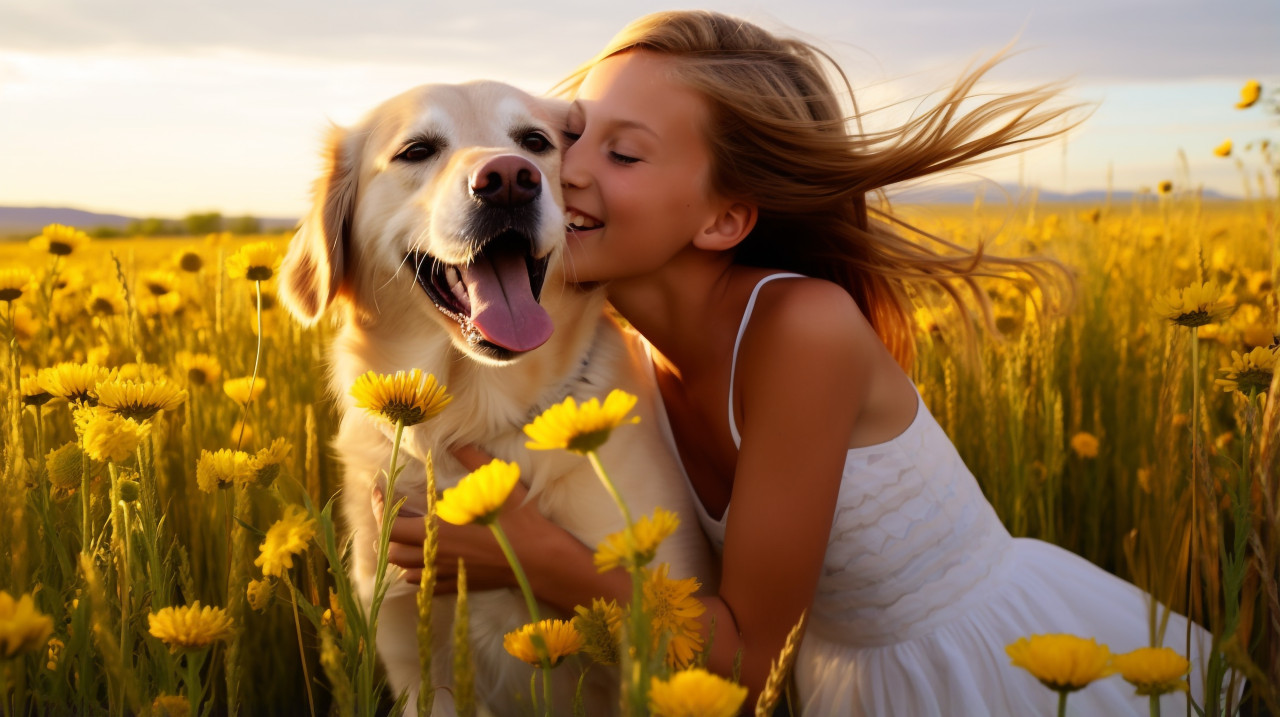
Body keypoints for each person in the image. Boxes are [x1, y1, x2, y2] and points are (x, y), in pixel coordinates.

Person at [376, 10, 1218, 715]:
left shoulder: (801, 328)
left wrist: (525, 555)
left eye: (623, 155)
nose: (561, 174)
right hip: (836, 681)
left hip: (976, 673)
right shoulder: (620, 354)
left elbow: (743, 668)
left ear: (722, 219)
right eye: (567, 138)